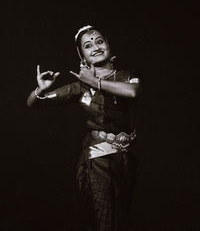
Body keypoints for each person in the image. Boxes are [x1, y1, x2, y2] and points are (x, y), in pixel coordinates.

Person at [27, 25, 143, 231]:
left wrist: (96, 81)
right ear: (83, 56)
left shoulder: (128, 75)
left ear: (108, 44)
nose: (96, 47)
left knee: (123, 219)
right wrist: (40, 90)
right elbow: (34, 103)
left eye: (99, 41)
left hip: (126, 159)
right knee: (105, 221)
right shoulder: (80, 87)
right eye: (88, 46)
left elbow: (133, 92)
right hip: (98, 159)